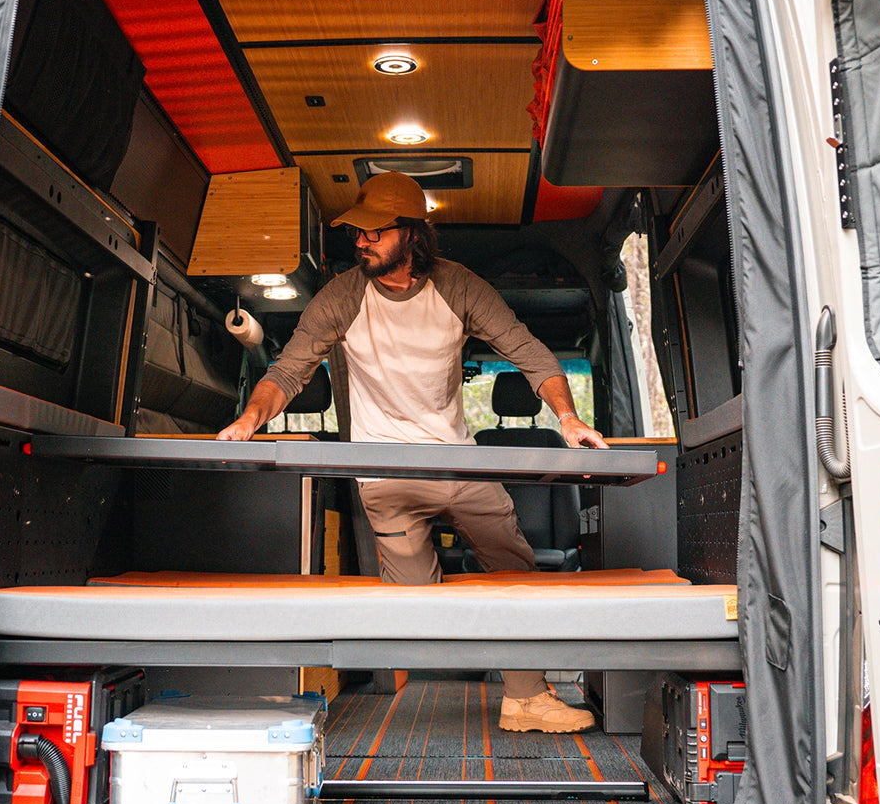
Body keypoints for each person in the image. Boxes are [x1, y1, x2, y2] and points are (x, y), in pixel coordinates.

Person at [217, 171, 609, 733]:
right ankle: (428, 688)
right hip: (385, 477)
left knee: (518, 571)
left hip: (457, 462)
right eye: (358, 232)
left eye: (374, 232)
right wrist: (250, 419)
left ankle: (525, 698)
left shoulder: (459, 287)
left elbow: (530, 353)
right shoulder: (343, 297)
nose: (361, 242)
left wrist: (568, 420)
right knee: (417, 613)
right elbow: (289, 369)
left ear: (412, 235)